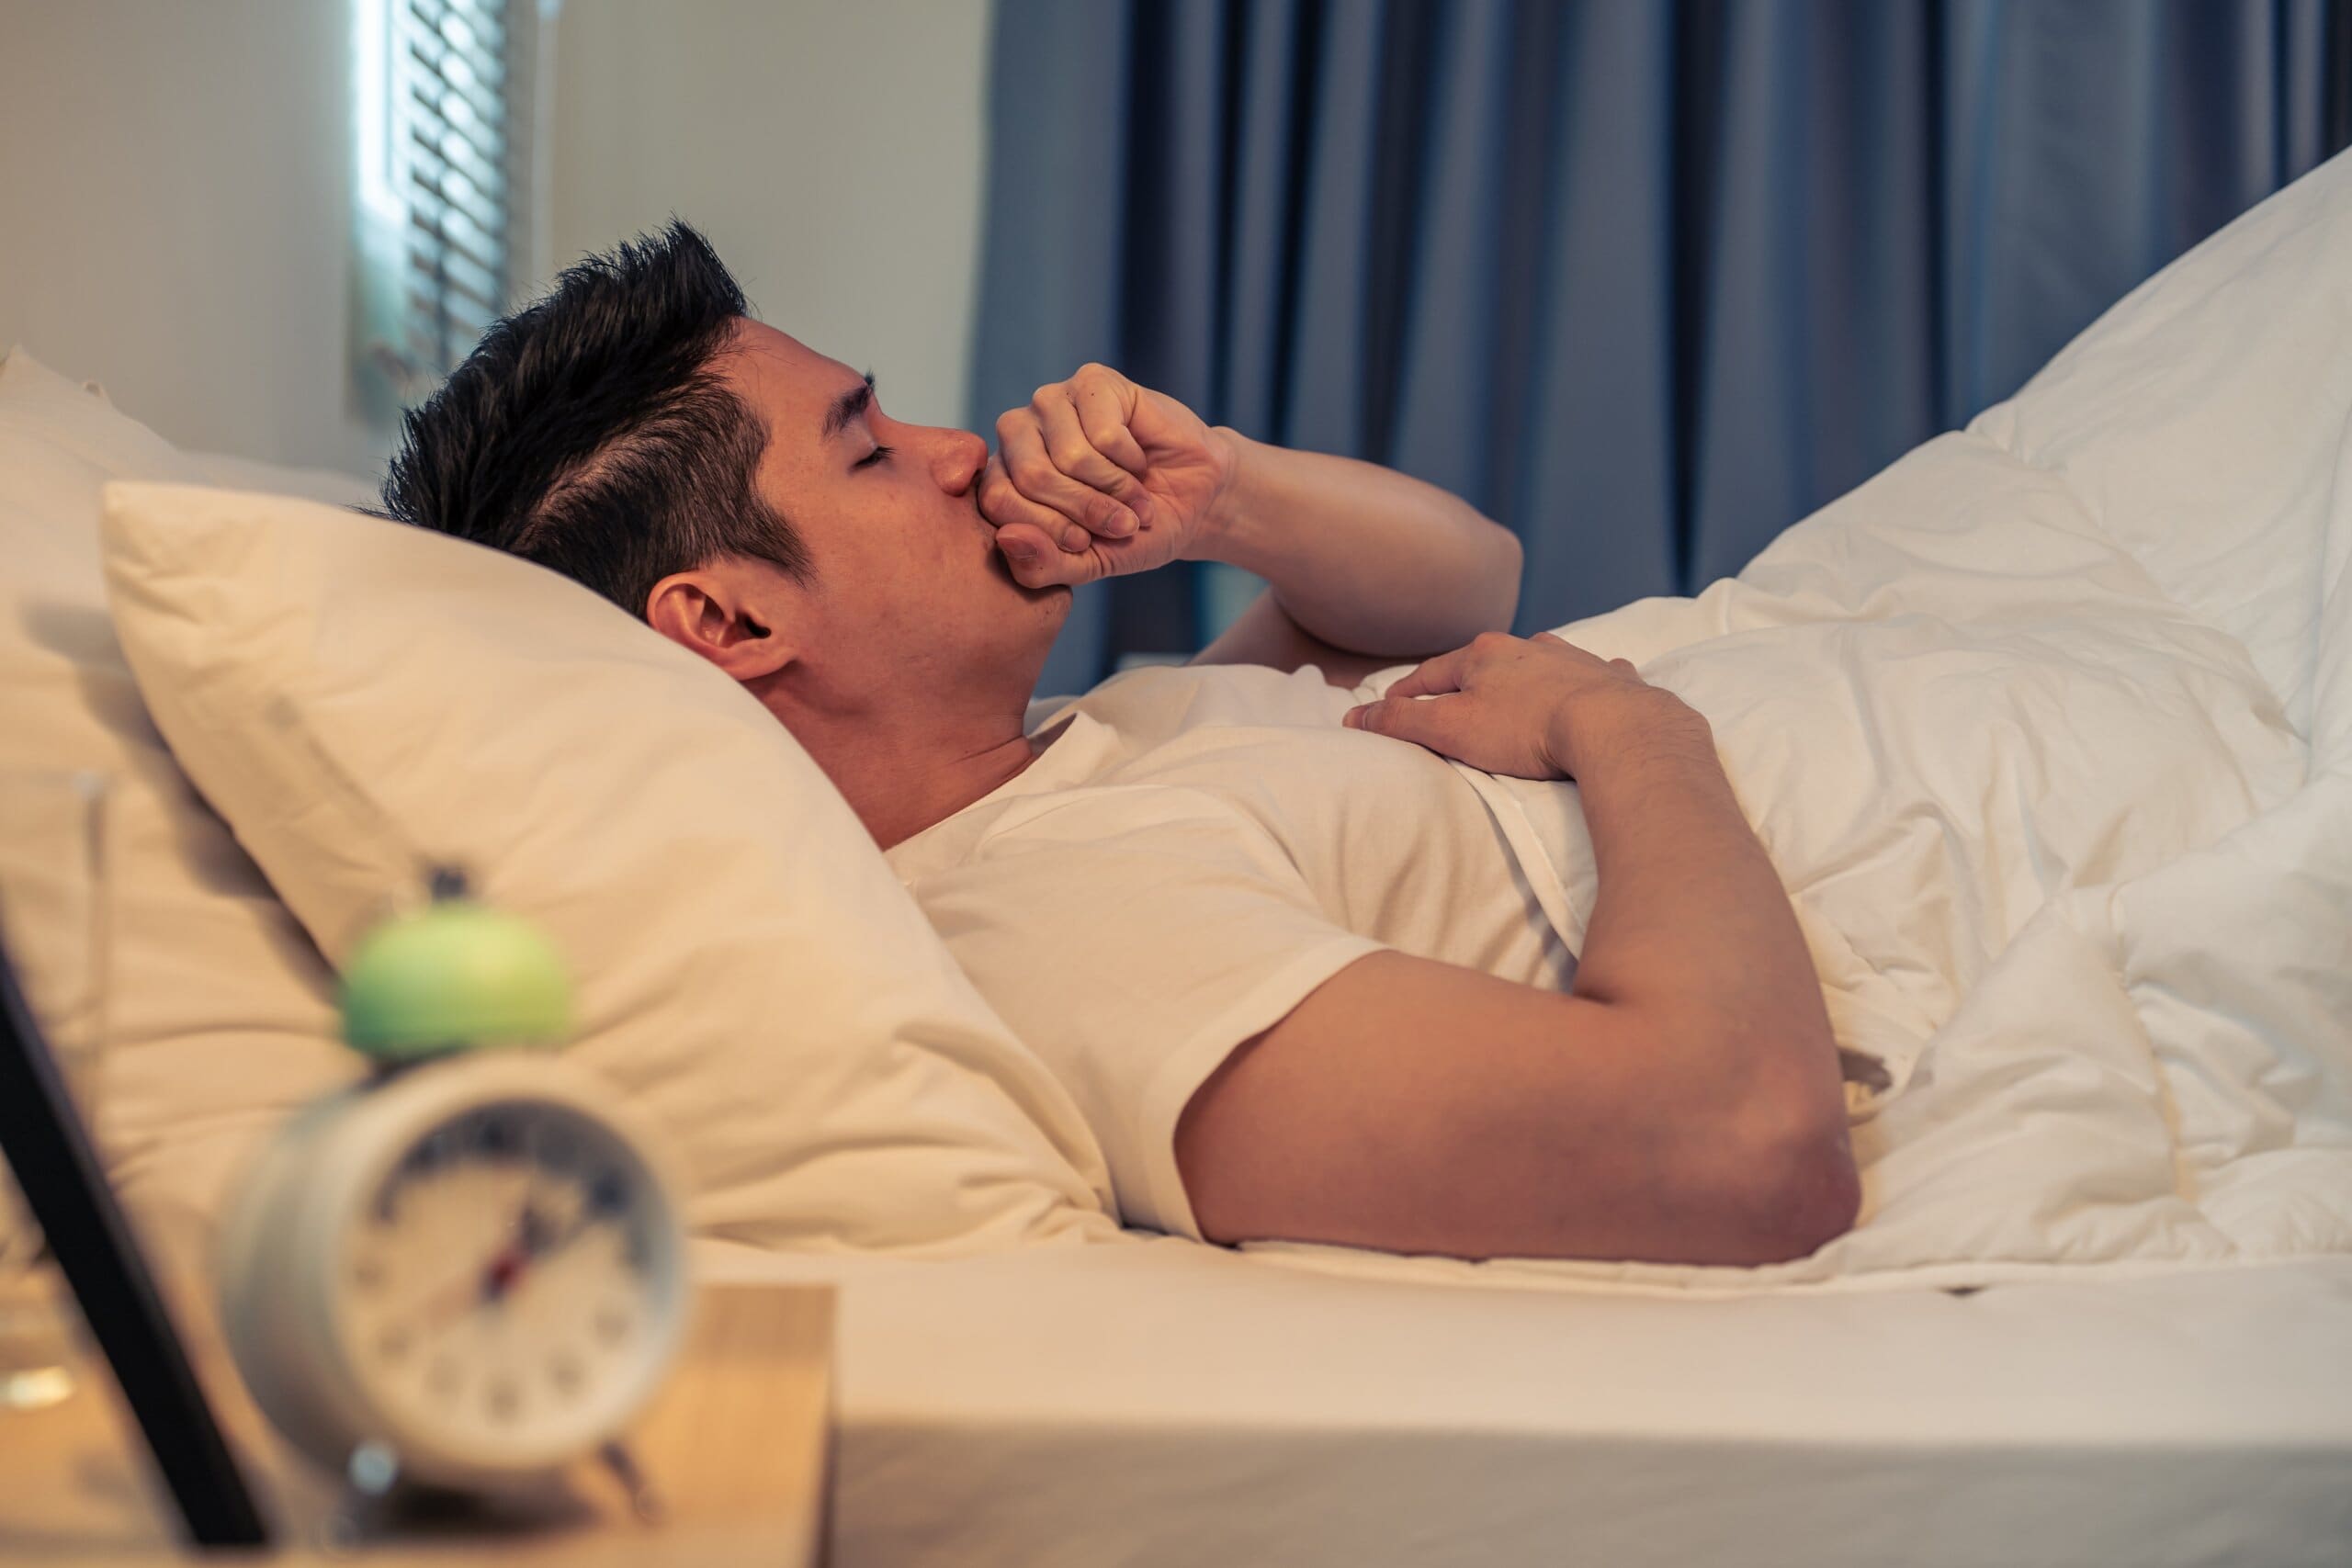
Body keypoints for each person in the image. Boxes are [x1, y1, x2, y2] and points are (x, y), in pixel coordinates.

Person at [383, 222, 1860, 1269]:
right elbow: (1741, 1143)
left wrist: (1218, 502)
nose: (967, 451)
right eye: (873, 448)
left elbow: (1469, 585)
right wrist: (1631, 725)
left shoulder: (1094, 750)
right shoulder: (1058, 921)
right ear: (730, 622)